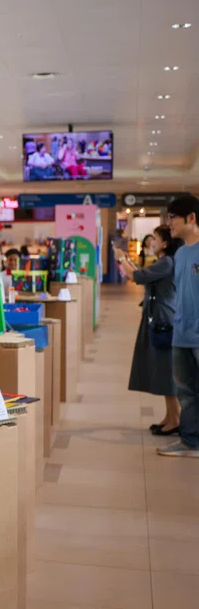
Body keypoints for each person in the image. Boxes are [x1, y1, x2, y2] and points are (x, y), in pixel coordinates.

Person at [115, 226, 181, 435]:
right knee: (162, 370)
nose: (151, 242)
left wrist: (120, 259)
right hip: (159, 318)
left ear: (165, 243)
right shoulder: (165, 262)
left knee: (166, 371)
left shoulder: (167, 262)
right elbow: (141, 275)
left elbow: (135, 276)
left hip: (164, 321)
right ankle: (170, 416)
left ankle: (176, 419)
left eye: (156, 239)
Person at [158, 195, 199, 458]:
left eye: (172, 217)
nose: (168, 223)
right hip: (181, 334)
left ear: (191, 218)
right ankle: (190, 441)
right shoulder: (181, 253)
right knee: (186, 392)